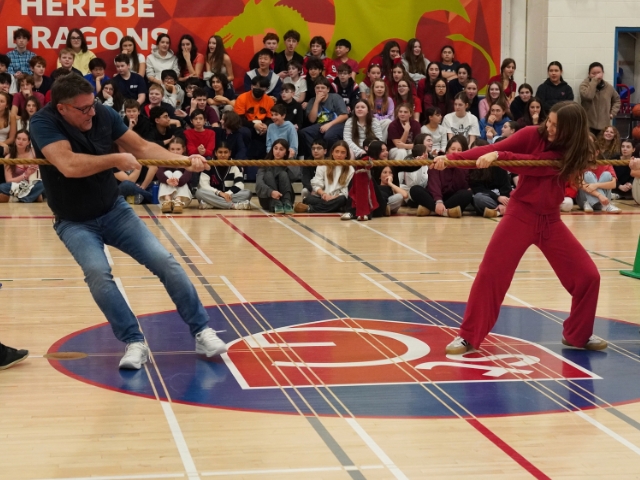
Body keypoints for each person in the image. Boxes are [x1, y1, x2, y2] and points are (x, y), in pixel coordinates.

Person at [30, 75, 227, 369]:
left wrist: (185, 161)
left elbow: (144, 148)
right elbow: (68, 165)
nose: (92, 113)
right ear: (62, 108)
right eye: (83, 109)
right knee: (98, 275)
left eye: (92, 105)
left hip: (114, 211)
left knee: (166, 262)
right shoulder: (42, 123)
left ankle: (201, 331)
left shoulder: (102, 113)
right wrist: (114, 160)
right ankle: (134, 341)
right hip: (74, 221)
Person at [433, 101, 607, 354]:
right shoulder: (529, 134)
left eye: (557, 126)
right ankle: (468, 337)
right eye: (550, 120)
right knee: (490, 274)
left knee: (588, 277)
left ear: (571, 131)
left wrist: (499, 157)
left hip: (551, 220)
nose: (549, 127)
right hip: (520, 215)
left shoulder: (570, 152)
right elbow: (491, 149)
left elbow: (536, 164)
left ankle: (577, 335)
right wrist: (450, 160)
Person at [410, 135, 471, 218]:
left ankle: (431, 210)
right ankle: (445, 212)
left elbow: (462, 187)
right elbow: (434, 184)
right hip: (435, 197)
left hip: (452, 198)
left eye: (459, 150)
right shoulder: (437, 161)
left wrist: (457, 166)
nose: (456, 152)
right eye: (453, 149)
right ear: (447, 152)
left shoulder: (464, 166)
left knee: (467, 194)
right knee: (415, 189)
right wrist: (438, 201)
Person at [294, 140, 354, 213]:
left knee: (342, 200)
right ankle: (334, 207)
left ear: (347, 155)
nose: (339, 155)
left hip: (337, 198)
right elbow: (316, 184)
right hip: (323, 196)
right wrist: (323, 194)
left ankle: (310, 209)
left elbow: (346, 191)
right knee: (308, 199)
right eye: (337, 151)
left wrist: (332, 197)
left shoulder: (350, 169)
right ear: (332, 152)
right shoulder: (323, 164)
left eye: (342, 152)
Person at [300, 77, 348, 158]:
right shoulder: (312, 101)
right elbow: (312, 120)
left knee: (329, 136)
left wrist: (329, 125)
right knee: (304, 133)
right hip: (320, 125)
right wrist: (316, 101)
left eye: (323, 88)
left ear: (328, 89)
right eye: (317, 88)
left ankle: (330, 158)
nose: (320, 90)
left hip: (337, 124)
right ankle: (313, 157)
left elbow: (344, 115)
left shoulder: (335, 97)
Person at [196, 141, 252, 210]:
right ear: (215, 153)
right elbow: (204, 185)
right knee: (199, 193)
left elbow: (240, 184)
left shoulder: (235, 165)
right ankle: (233, 206)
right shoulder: (208, 164)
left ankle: (212, 204)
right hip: (214, 194)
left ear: (230, 153)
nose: (223, 155)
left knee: (247, 193)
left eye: (225, 152)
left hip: (229, 195)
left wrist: (227, 193)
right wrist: (219, 193)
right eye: (220, 152)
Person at [234, 76, 274, 159]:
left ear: (266, 89)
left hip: (263, 125)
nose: (258, 89)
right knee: (245, 132)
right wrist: (253, 125)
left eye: (261, 87)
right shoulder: (242, 98)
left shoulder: (269, 101)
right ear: (251, 86)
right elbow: (239, 119)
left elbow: (270, 118)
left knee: (272, 131)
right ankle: (243, 158)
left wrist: (266, 126)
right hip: (246, 124)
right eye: (255, 86)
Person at [0, 129, 44, 203]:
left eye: (24, 139)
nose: (20, 141)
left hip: (33, 184)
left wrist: (36, 169)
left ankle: (16, 198)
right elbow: (9, 180)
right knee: (2, 187)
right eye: (18, 138)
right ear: (15, 140)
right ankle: (33, 197)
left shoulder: (34, 153)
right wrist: (25, 175)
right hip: (17, 185)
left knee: (43, 184)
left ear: (28, 142)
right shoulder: (8, 157)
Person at [579, 62, 620, 136]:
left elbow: (617, 100)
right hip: (588, 125)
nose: (596, 75)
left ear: (603, 73)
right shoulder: (584, 85)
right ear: (589, 74)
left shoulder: (609, 87)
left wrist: (612, 113)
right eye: (593, 73)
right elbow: (588, 96)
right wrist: (594, 81)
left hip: (604, 126)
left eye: (598, 73)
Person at [255, 138, 294, 214]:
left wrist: (291, 160)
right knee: (268, 174)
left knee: (283, 174)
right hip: (268, 198)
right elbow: (259, 185)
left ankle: (286, 204)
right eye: (275, 148)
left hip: (286, 198)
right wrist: (271, 192)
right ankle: (276, 204)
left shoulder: (288, 164)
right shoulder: (265, 164)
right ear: (272, 149)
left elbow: (295, 177)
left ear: (286, 152)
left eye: (281, 149)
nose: (277, 152)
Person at [0, 91, 16, 157]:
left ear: (6, 105)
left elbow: (12, 139)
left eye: (1, 101)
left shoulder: (11, 116)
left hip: (5, 146)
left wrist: (3, 144)